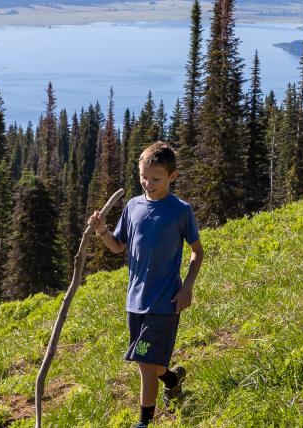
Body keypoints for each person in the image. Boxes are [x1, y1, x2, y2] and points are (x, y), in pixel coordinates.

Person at [89, 141, 204, 428]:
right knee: (152, 362)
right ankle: (173, 379)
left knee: (143, 361)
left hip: (165, 302)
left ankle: (144, 421)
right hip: (135, 301)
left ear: (172, 177)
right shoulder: (133, 206)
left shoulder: (180, 211)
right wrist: (101, 229)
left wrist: (187, 287)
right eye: (144, 177)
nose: (148, 184)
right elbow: (117, 247)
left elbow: (197, 251)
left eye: (156, 179)